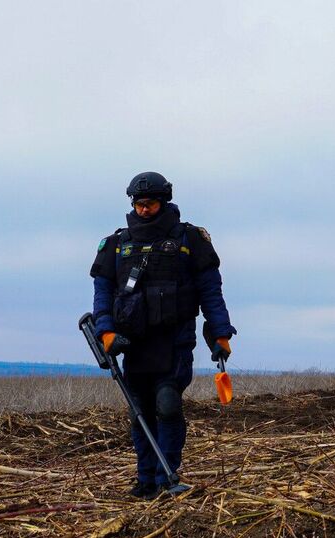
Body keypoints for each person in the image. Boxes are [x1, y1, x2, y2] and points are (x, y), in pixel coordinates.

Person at [89, 171, 236, 499]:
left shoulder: (189, 240)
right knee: (139, 411)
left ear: (164, 201)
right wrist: (106, 332)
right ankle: (146, 480)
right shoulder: (116, 245)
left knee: (167, 405)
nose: (143, 210)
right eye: (139, 204)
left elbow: (210, 291)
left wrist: (220, 333)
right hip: (133, 345)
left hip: (175, 342)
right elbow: (103, 292)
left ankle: (167, 477)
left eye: (150, 203)